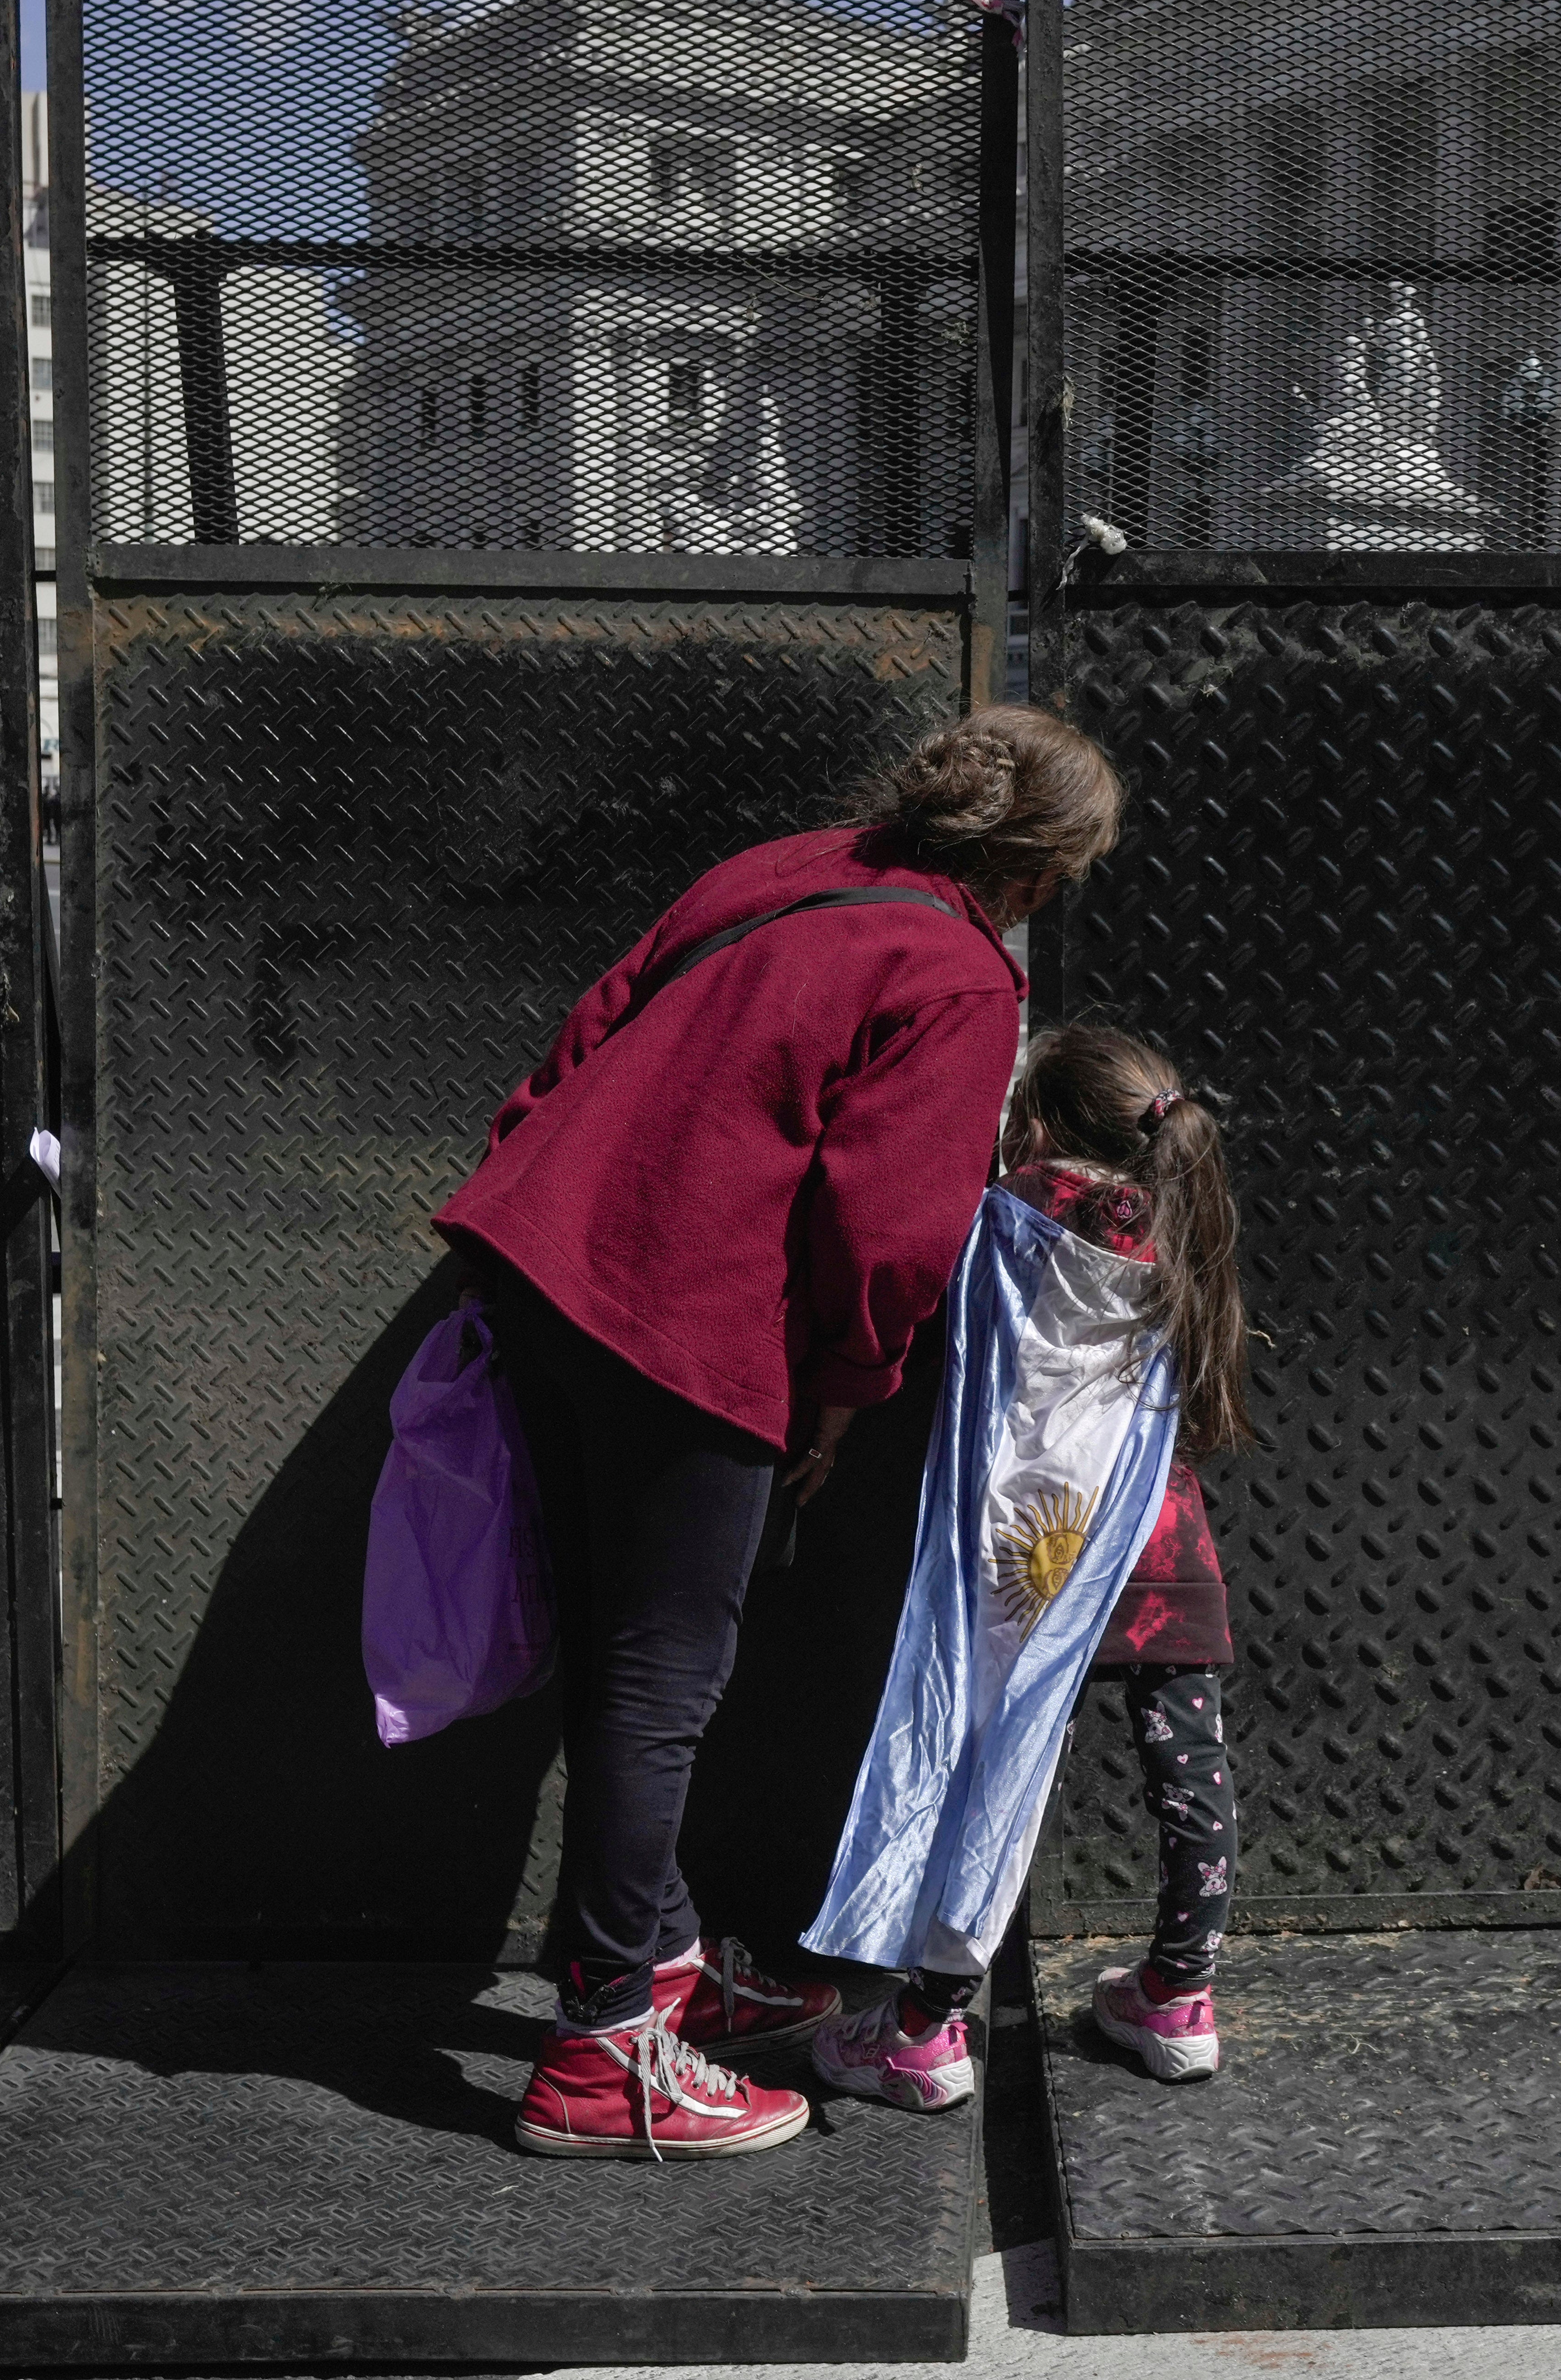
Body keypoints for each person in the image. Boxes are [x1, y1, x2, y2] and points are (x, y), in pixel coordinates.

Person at [434, 706, 1124, 2159]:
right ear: (1040, 870)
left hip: (546, 1263)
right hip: (683, 1318)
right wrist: (841, 1386)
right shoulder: (957, 971)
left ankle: (662, 1955)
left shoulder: (778, 867)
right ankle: (603, 2053)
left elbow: (582, 1035)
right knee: (662, 1679)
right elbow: (888, 1234)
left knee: (617, 1649)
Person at [809, 1024, 1254, 2108]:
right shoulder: (1181, 1223)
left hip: (1032, 1553)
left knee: (989, 1766)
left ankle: (924, 2026)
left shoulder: (1008, 1218)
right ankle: (1179, 1994)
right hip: (1159, 1544)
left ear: (1040, 1124)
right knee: (1188, 1769)